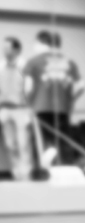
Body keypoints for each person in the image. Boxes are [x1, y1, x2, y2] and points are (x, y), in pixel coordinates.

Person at [23, 30, 85, 166]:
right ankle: (66, 169)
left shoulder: (33, 62)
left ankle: (46, 172)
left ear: (41, 43)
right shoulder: (69, 62)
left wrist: (29, 106)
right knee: (63, 141)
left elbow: (28, 88)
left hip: (40, 108)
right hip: (63, 108)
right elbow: (81, 86)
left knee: (43, 142)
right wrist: (71, 100)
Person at [0, 36, 33, 180]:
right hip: (5, 109)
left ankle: (26, 174)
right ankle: (16, 173)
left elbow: (31, 88)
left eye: (8, 47)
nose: (4, 50)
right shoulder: (1, 66)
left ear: (17, 49)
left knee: (23, 143)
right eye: (3, 47)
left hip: (21, 109)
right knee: (9, 144)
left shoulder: (25, 66)